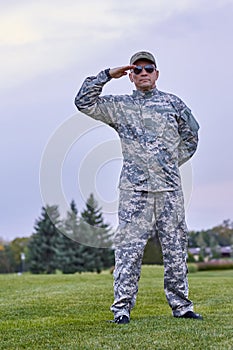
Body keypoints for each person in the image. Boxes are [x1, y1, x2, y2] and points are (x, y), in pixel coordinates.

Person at [74, 51, 203, 324]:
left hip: (168, 190)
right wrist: (107, 75)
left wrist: (167, 163)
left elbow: (192, 137)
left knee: (176, 248)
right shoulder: (120, 106)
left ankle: (182, 306)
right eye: (138, 69)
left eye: (149, 68)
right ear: (131, 76)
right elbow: (83, 102)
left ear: (157, 73)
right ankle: (121, 310)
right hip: (135, 191)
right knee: (128, 251)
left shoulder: (173, 104)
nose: (144, 73)